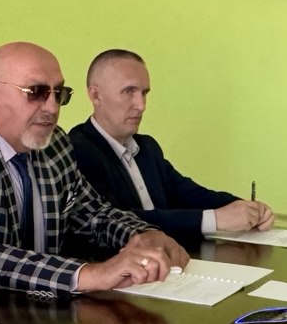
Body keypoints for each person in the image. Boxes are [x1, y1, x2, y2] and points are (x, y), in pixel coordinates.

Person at [0, 42, 189, 298]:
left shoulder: (55, 144)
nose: (52, 107)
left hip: (38, 307)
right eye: (36, 92)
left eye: (58, 93)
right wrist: (89, 274)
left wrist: (141, 234)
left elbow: (92, 214)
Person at [68, 49, 274, 237]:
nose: (141, 105)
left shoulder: (147, 147)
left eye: (144, 93)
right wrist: (215, 219)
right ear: (96, 95)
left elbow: (187, 193)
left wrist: (245, 208)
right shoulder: (77, 150)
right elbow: (114, 220)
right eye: (128, 91)